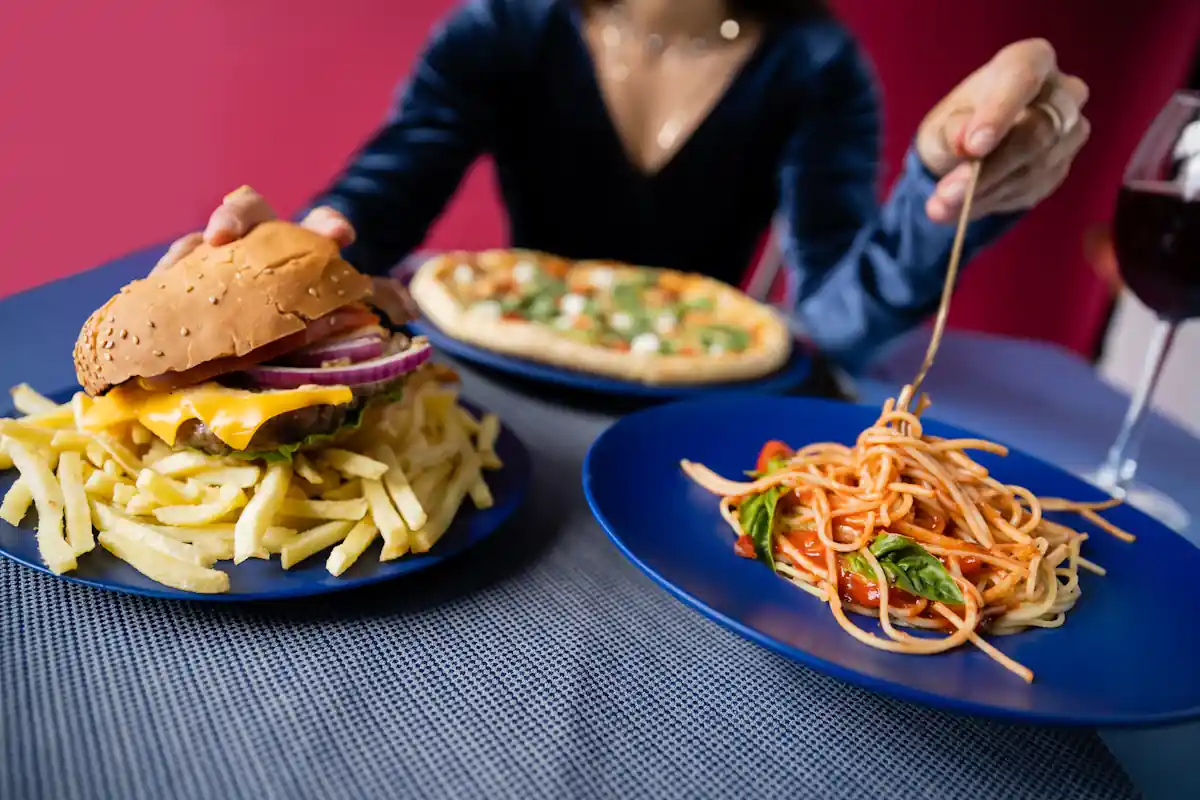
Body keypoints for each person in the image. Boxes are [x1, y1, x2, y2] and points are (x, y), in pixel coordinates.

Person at [157, 0, 1090, 371]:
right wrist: (295, 260)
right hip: (489, 384)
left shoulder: (816, 63)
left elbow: (835, 320)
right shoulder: (506, 25)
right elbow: (379, 200)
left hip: (696, 413)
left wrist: (948, 186)